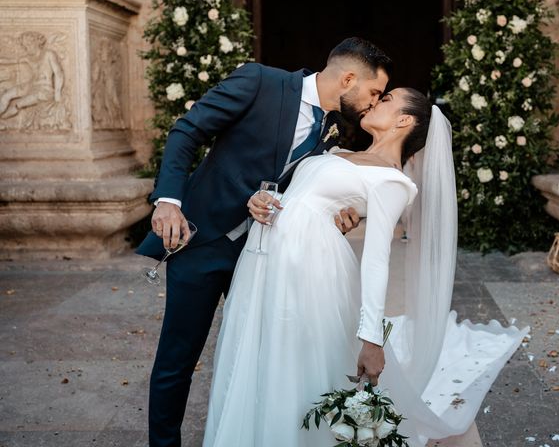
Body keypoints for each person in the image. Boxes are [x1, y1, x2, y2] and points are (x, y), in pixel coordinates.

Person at [202, 88, 529, 446]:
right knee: (257, 356)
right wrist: (265, 199)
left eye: (386, 99)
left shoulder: (393, 181)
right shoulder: (340, 152)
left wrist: (371, 339)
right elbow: (303, 199)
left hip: (311, 269)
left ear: (404, 121)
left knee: (293, 363)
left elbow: (377, 258)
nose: (375, 102)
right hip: (267, 259)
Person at [135, 37, 393, 446]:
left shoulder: (332, 128)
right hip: (202, 242)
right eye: (373, 92)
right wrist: (169, 200)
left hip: (264, 256)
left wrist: (333, 213)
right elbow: (187, 131)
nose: (373, 103)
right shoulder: (260, 82)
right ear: (348, 78)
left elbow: (304, 191)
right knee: (177, 360)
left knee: (253, 356)